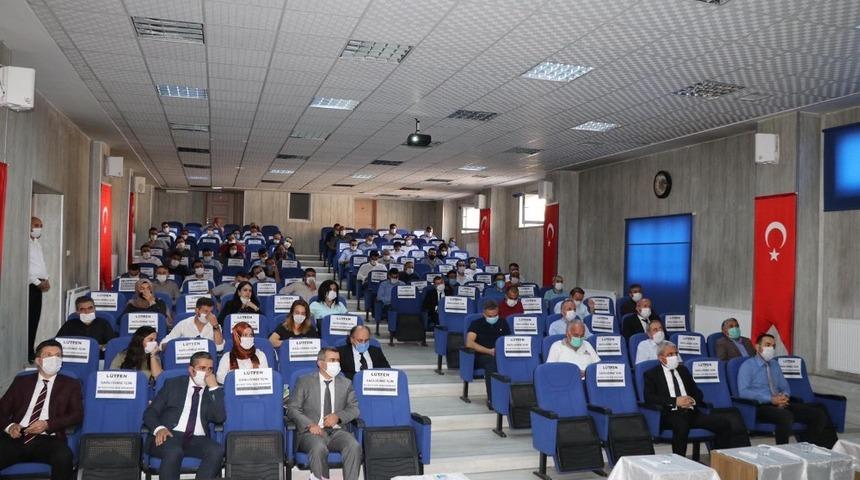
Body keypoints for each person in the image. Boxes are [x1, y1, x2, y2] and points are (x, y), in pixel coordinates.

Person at [0, 339, 82, 480]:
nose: (54, 359)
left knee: (64, 457)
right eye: (48, 355)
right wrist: (10, 426)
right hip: (17, 436)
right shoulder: (21, 382)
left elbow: (77, 415)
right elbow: (2, 409)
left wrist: (48, 424)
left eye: (58, 355)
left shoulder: (70, 384)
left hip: (49, 438)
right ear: (38, 361)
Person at [738, 334, 837, 447]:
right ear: (757, 347)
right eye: (767, 345)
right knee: (786, 416)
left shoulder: (775, 365)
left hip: (780, 403)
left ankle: (808, 447)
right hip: (760, 406)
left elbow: (785, 386)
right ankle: (783, 451)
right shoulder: (747, 366)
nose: (771, 349)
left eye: (773, 346)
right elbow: (744, 392)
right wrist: (770, 399)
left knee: (818, 414)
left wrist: (784, 396)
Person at [143, 351, 225, 480]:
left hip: (197, 438)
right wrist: (159, 428)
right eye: (202, 368)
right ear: (191, 370)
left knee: (217, 450)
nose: (207, 373)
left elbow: (220, 418)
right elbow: (150, 412)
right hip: (169, 434)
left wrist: (214, 387)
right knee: (174, 451)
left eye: (210, 369)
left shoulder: (212, 391)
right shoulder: (173, 384)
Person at [643, 341, 733, 456]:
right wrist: (676, 401)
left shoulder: (683, 371)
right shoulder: (651, 374)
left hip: (691, 412)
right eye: (670, 355)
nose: (674, 357)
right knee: (681, 426)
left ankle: (720, 460)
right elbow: (649, 398)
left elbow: (698, 393)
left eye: (676, 353)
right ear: (661, 358)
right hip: (669, 414)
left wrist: (691, 400)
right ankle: (680, 463)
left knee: (723, 423)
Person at [286, 348, 362, 480]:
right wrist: (310, 424)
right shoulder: (304, 381)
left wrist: (338, 417)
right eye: (332, 360)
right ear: (320, 363)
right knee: (319, 448)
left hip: (337, 432)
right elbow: (292, 409)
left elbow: (354, 409)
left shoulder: (346, 383)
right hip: (310, 433)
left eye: (338, 360)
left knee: (353, 445)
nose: (336, 363)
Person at [466, 299, 511, 405]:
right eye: (489, 316)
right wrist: (489, 351)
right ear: (484, 314)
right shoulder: (476, 324)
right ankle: (493, 400)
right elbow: (469, 343)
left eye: (495, 315)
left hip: (500, 355)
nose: (493, 318)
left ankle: (511, 399)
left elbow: (508, 340)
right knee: (491, 364)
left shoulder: (503, 322)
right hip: (482, 355)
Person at [160, 297, 225, 352]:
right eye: (206, 311)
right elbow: (163, 344)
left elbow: (220, 347)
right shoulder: (183, 324)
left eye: (211, 312)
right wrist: (177, 345)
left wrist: (215, 326)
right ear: (197, 311)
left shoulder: (216, 326)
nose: (209, 315)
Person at [28, 217, 50, 363]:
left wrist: (46, 279)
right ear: (28, 226)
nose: (39, 228)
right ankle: (28, 352)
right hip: (30, 286)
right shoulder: (24, 243)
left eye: (41, 226)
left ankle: (31, 349)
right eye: (36, 225)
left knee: (35, 319)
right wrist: (36, 282)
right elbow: (24, 266)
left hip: (39, 285)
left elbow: (40, 264)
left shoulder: (36, 243)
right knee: (28, 320)